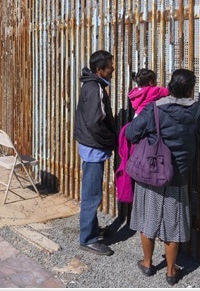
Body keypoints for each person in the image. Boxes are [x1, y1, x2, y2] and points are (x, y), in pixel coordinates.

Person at [125, 68, 200, 285]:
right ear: (191, 89)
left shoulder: (156, 108)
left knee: (148, 218)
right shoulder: (197, 112)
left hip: (152, 173)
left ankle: (147, 263)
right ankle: (171, 271)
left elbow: (131, 133)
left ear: (171, 85)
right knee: (173, 224)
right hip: (178, 176)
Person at [74, 50, 117, 256]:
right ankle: (88, 239)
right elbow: (95, 122)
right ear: (99, 70)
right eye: (109, 66)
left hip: (89, 145)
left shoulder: (91, 85)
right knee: (92, 195)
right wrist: (111, 139)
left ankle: (91, 230)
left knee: (91, 192)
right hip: (93, 147)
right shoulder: (95, 89)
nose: (113, 69)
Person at [115, 69, 169, 219]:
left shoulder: (134, 93)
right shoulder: (152, 91)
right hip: (147, 123)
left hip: (136, 120)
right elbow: (167, 91)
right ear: (151, 82)